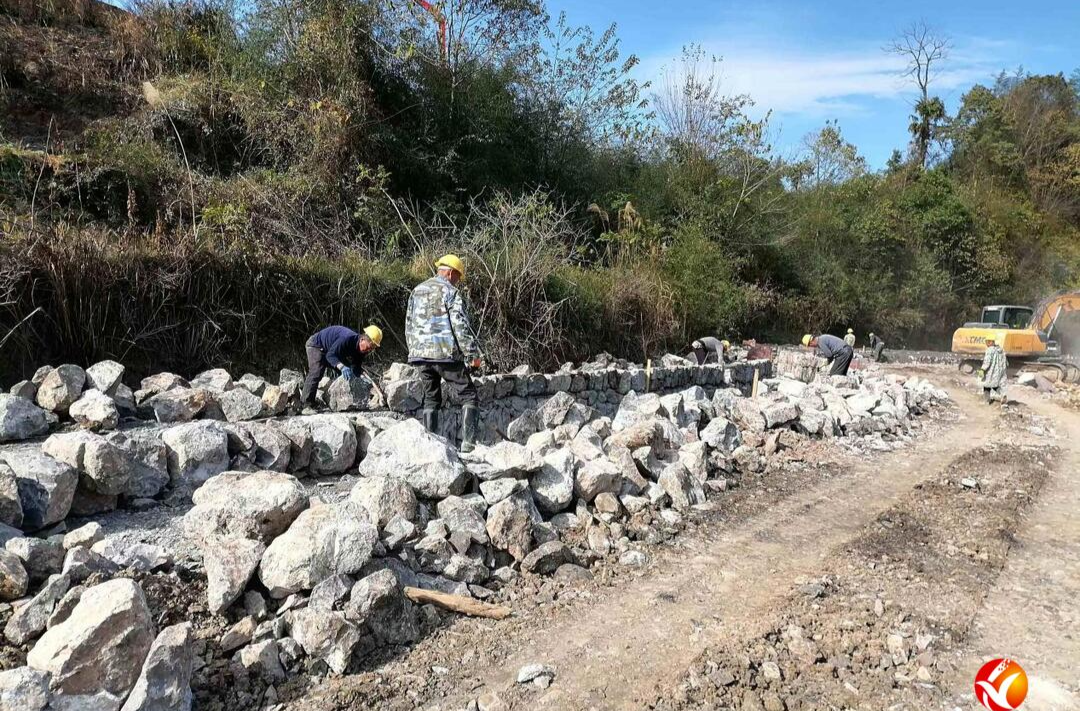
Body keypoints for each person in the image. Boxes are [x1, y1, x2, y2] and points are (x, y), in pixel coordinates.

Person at [406, 254, 483, 451]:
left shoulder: (417, 290)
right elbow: (460, 325)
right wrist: (472, 355)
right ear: (450, 273)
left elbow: (408, 323)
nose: (458, 281)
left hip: (420, 355)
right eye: (457, 277)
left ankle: (430, 446)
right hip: (444, 354)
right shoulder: (450, 292)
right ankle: (469, 445)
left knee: (431, 398)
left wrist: (413, 350)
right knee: (468, 395)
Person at [302, 324, 383, 408]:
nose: (369, 350)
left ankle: (341, 401)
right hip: (317, 346)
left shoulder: (361, 350)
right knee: (316, 372)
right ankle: (305, 404)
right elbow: (330, 355)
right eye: (369, 347)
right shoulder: (347, 338)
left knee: (348, 372)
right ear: (362, 339)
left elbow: (356, 367)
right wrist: (342, 367)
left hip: (331, 351)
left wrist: (362, 377)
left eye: (372, 349)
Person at [979, 338, 1008, 404]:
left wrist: (982, 370)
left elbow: (987, 362)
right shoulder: (1000, 349)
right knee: (995, 385)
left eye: (987, 342)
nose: (986, 343)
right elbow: (1005, 361)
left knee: (986, 385)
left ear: (990, 342)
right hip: (999, 371)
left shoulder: (989, 350)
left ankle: (987, 401)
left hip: (990, 371)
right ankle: (1002, 395)